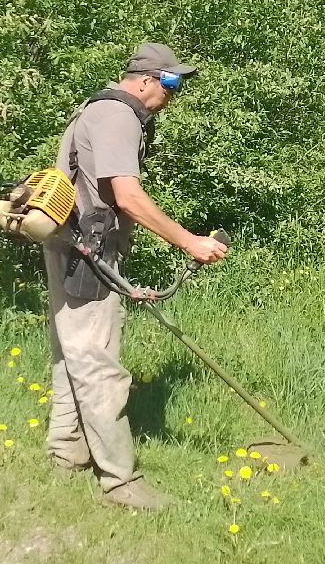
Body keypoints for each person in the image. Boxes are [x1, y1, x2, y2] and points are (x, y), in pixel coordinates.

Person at [43, 42, 228, 511]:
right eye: (171, 83)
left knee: (73, 351)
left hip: (71, 242)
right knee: (98, 359)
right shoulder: (119, 116)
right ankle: (120, 481)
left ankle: (67, 450)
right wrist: (190, 241)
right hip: (88, 249)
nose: (174, 93)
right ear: (146, 80)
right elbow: (126, 196)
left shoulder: (98, 107)